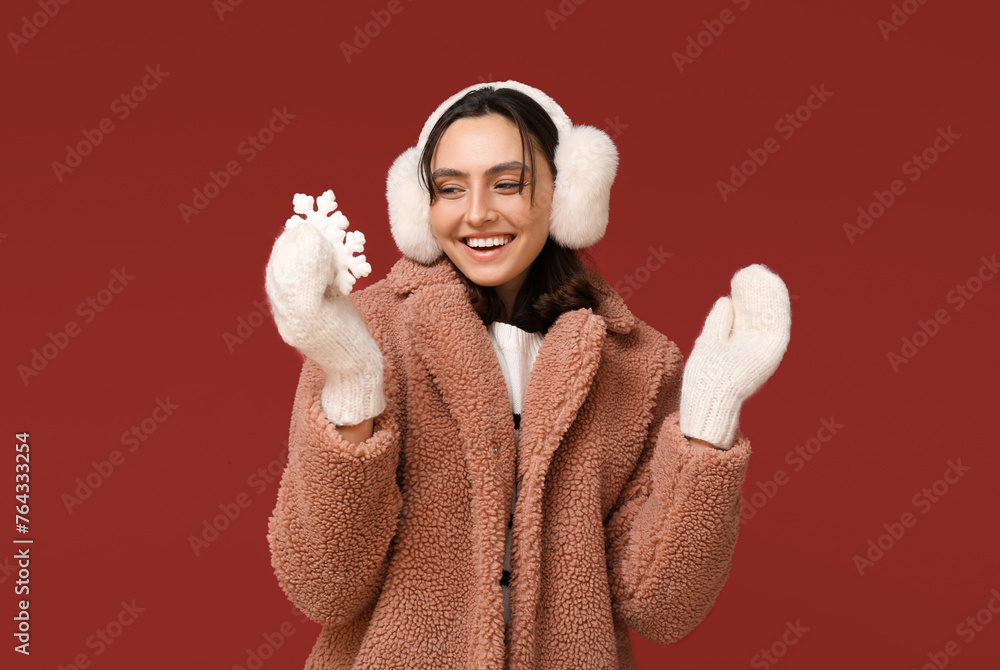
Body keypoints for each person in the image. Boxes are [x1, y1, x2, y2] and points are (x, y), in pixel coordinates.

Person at [263, 80, 791, 670]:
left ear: (568, 195)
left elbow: (663, 607)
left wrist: (709, 418)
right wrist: (353, 382)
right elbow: (323, 587)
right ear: (421, 209)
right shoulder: (367, 334)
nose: (477, 212)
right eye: (449, 189)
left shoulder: (639, 364)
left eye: (507, 183)